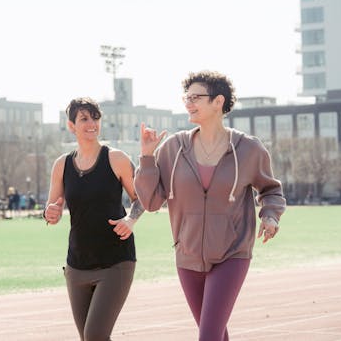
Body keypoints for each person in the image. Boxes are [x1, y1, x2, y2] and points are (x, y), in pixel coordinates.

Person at [134, 70, 286, 341]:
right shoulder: (173, 148)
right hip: (188, 255)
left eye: (196, 97)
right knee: (215, 333)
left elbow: (271, 189)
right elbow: (152, 201)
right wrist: (147, 158)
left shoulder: (248, 149)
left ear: (218, 101)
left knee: (209, 336)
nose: (189, 103)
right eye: (186, 97)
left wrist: (271, 216)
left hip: (232, 253)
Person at [43, 97, 145, 340]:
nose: (92, 124)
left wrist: (131, 219)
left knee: (95, 336)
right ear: (71, 125)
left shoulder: (116, 159)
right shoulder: (62, 165)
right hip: (77, 265)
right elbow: (51, 209)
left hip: (115, 262)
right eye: (84, 119)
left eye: (95, 118)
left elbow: (141, 198)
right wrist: (50, 213)